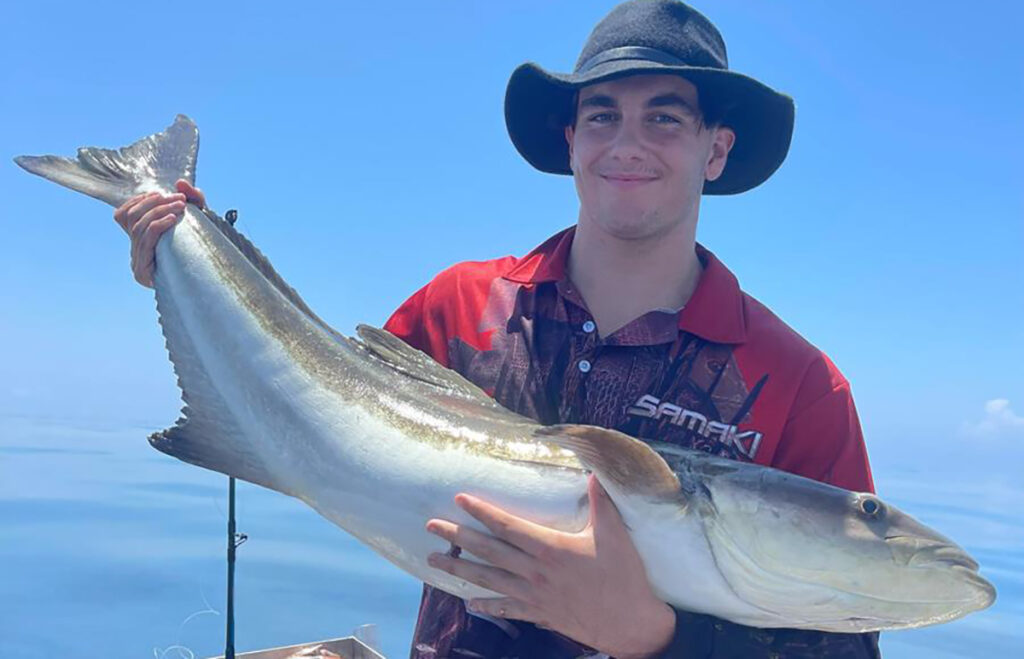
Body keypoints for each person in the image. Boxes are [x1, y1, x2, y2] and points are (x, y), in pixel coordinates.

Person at [113, 2, 881, 657]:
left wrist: (652, 636)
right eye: (602, 114)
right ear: (571, 141)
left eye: (666, 118)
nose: (627, 143)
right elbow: (303, 406)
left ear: (717, 149)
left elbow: (848, 643)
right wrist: (183, 261)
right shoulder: (460, 306)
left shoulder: (799, 388)